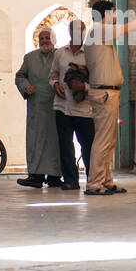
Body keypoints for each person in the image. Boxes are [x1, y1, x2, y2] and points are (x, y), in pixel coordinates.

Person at [83, 0, 136, 196]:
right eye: (113, 12)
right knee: (103, 140)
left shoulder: (100, 32)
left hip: (108, 93)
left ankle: (105, 180)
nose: (115, 16)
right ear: (104, 15)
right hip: (104, 93)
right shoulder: (98, 29)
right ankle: (94, 183)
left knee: (108, 140)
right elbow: (129, 28)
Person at [49, 19, 94, 190]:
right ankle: (70, 180)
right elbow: (52, 74)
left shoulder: (90, 53)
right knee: (66, 146)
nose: (79, 33)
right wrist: (56, 85)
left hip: (85, 109)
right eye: (76, 30)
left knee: (88, 146)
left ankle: (93, 179)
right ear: (69, 32)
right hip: (63, 107)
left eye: (82, 30)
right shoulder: (60, 53)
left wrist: (84, 87)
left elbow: (97, 80)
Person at [15, 27, 62, 189]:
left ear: (53, 40)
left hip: (56, 107)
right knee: (36, 141)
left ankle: (55, 176)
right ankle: (35, 176)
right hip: (36, 107)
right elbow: (20, 76)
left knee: (55, 141)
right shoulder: (29, 58)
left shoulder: (60, 56)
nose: (44, 41)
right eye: (41, 38)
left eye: (47, 38)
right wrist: (25, 86)